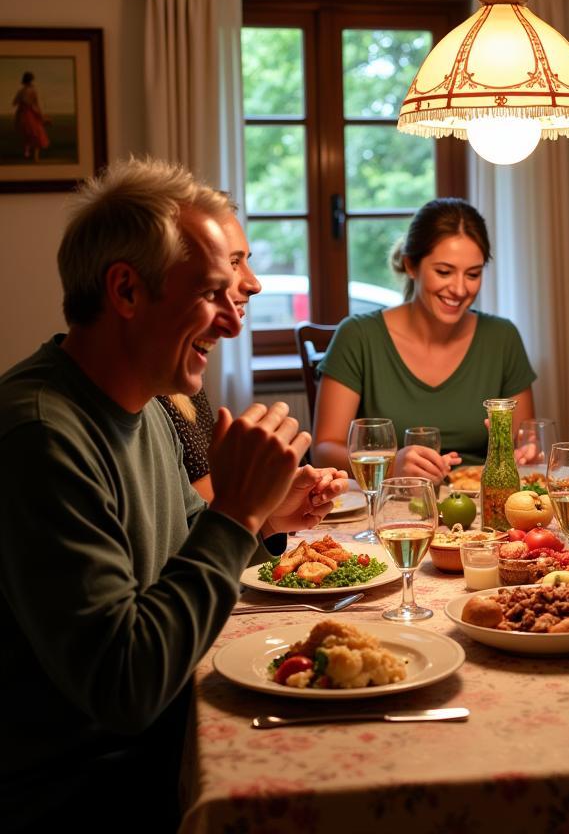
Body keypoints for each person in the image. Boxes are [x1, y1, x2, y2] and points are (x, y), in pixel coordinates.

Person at [0, 159, 340, 830]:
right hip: (86, 790)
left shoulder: (150, 405)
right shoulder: (41, 436)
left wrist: (267, 516)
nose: (232, 323)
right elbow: (125, 687)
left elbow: (187, 550)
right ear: (126, 290)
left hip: (162, 739)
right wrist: (238, 510)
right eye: (212, 292)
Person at [313, 197, 536, 483]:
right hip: (392, 507)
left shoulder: (502, 338)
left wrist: (527, 454)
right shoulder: (358, 336)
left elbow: (524, 443)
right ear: (411, 265)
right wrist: (390, 465)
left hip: (482, 510)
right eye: (443, 271)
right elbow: (323, 450)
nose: (458, 289)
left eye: (473, 274)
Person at [157, 208, 262, 500]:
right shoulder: (51, 430)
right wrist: (251, 501)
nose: (255, 284)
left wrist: (271, 516)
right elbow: (202, 519)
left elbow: (190, 523)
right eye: (232, 263)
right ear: (127, 290)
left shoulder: (172, 377)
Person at [12, 71, 50, 160]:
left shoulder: (20, 91)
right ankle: (34, 156)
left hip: (22, 114)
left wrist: (22, 102)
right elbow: (35, 104)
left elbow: (14, 103)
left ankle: (27, 153)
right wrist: (41, 116)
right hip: (30, 113)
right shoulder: (32, 90)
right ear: (30, 81)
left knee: (28, 134)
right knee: (36, 134)